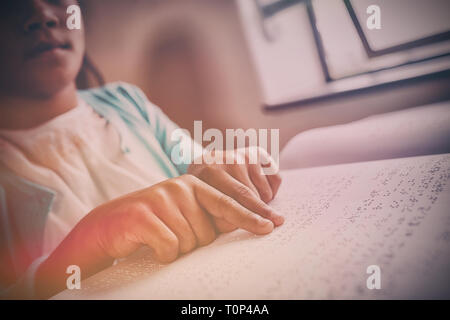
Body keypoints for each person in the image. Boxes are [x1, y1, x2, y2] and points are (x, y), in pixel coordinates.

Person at [0, 0, 284, 299]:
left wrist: (222, 168)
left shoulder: (127, 102)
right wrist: (94, 238)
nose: (42, 17)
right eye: (10, 5)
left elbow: (197, 164)